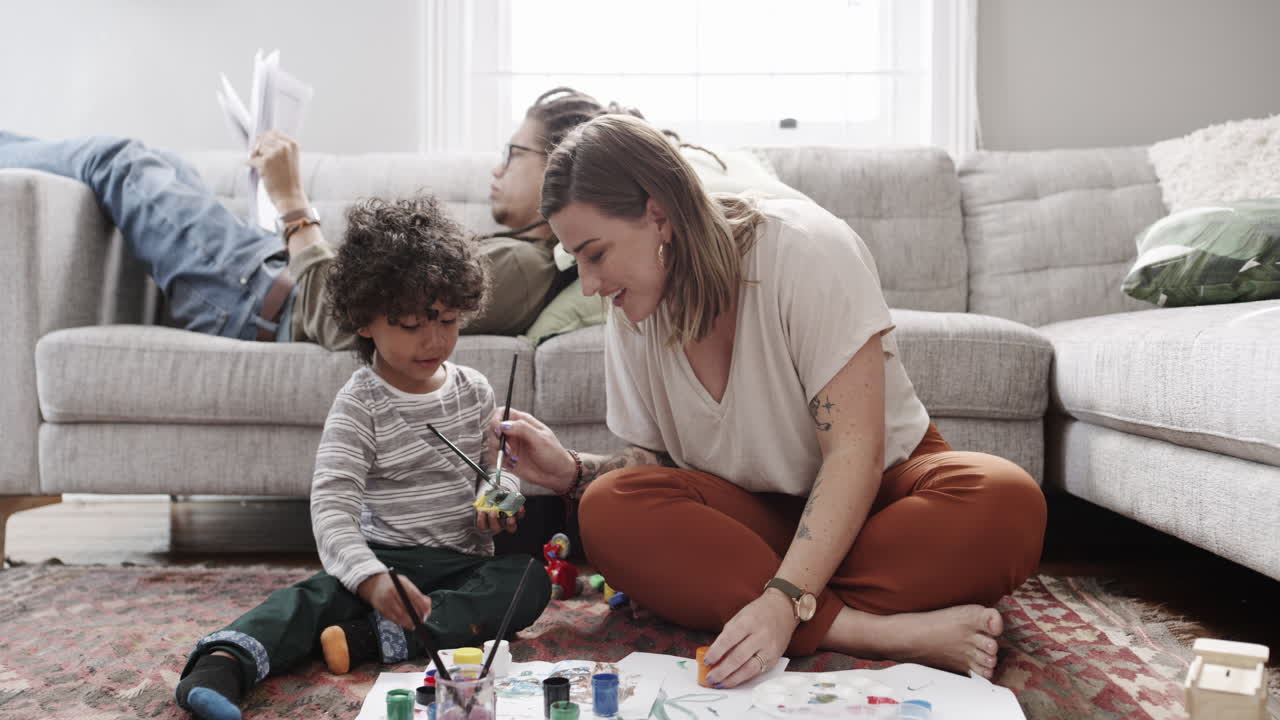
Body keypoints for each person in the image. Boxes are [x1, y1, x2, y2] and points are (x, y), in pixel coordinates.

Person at [486, 114, 1049, 687]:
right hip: (748, 517)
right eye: (575, 260)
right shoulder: (631, 309)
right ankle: (877, 629)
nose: (588, 284)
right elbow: (655, 468)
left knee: (1007, 504)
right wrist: (572, 472)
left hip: (880, 492)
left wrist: (780, 595)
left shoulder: (805, 250)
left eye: (595, 254)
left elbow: (853, 455)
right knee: (607, 508)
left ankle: (763, 600)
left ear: (658, 214)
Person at [172, 195, 551, 720]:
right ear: (365, 320)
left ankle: (371, 640)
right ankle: (220, 666)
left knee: (528, 579)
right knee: (305, 600)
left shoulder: (475, 389)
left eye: (446, 319)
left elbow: (492, 470)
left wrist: (497, 495)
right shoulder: (360, 403)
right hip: (384, 562)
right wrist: (372, 578)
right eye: (411, 324)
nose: (435, 339)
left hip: (463, 566)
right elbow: (331, 509)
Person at [0, 87, 618, 348]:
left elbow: (335, 313)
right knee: (163, 163)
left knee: (122, 160)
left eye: (514, 153)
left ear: (557, 165)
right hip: (265, 277)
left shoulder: (515, 267)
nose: (497, 167)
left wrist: (295, 203)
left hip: (259, 296)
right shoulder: (519, 257)